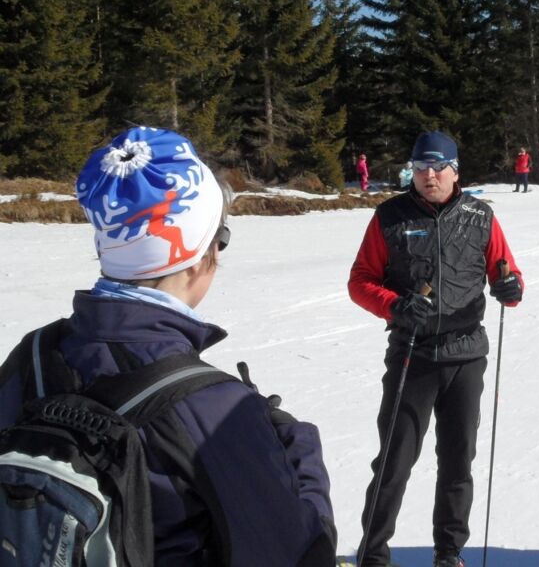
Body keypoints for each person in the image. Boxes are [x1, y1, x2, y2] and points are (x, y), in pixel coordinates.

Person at [0, 127, 336, 565]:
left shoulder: (33, 356)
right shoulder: (213, 409)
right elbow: (300, 553)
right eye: (220, 238)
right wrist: (301, 450)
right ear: (199, 255)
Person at [348, 131, 525, 567]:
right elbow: (360, 282)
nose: (429, 176)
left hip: (466, 355)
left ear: (454, 171)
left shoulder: (481, 216)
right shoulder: (390, 216)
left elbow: (510, 278)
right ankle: (373, 554)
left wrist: (510, 286)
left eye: (437, 167)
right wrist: (395, 304)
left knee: (457, 462)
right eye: (420, 168)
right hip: (414, 353)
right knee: (394, 460)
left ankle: (449, 554)